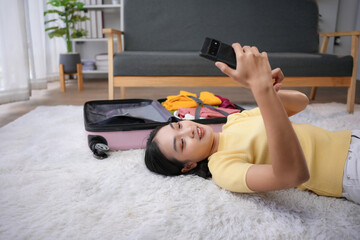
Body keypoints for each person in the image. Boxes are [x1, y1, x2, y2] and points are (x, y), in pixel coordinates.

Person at [145, 43, 360, 204]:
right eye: (181, 144)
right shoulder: (222, 168)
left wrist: (268, 88)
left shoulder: (234, 120)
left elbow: (301, 103)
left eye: (179, 126)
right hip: (348, 170)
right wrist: (262, 91)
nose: (189, 132)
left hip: (350, 137)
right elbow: (292, 175)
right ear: (188, 166)